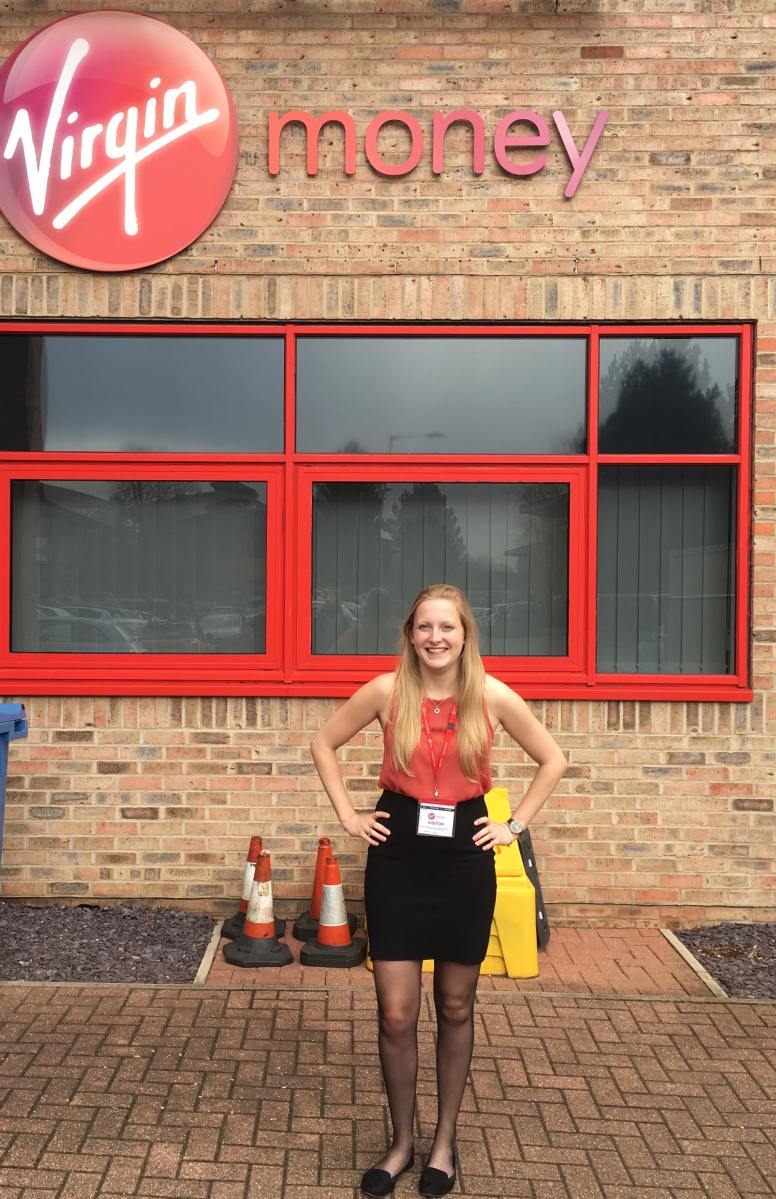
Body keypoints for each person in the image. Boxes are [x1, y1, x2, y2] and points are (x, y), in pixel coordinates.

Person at [310, 584, 567, 1197]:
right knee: (396, 1013)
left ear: (464, 634)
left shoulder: (491, 696)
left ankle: (444, 1144)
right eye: (424, 627)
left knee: (456, 1005)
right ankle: (401, 1143)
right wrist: (349, 816)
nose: (435, 638)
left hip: (463, 855)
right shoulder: (384, 691)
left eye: (446, 627)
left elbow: (552, 758)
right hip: (397, 854)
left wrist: (514, 825)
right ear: (410, 634)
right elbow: (323, 742)